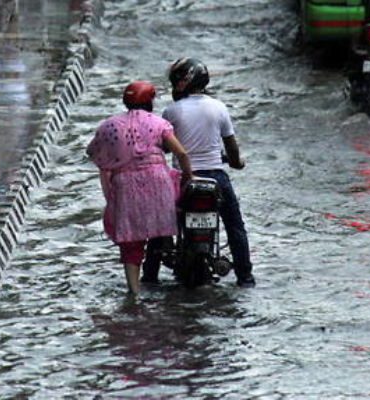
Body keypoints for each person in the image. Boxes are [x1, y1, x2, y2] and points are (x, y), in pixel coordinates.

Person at [87, 81, 193, 296]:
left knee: (131, 241)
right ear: (150, 101)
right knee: (167, 218)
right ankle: (169, 248)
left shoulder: (110, 126)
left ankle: (134, 292)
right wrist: (189, 176)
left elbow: (94, 152)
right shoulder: (159, 123)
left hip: (125, 186)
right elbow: (181, 153)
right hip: (158, 182)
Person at [158, 57, 256, 288]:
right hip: (216, 177)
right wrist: (236, 163)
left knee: (163, 224)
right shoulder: (219, 107)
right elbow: (231, 145)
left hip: (183, 178)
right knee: (234, 226)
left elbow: (163, 146)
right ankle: (246, 278)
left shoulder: (171, 111)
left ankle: (151, 274)